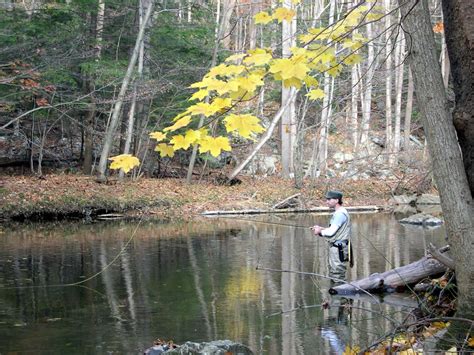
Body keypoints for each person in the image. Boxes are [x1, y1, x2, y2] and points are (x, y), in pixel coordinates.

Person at [311, 190, 352, 283]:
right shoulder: (340, 212)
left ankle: (339, 294)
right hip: (338, 248)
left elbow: (331, 232)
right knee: (334, 272)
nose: (327, 201)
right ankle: (336, 293)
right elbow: (335, 230)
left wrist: (319, 232)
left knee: (337, 274)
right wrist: (321, 228)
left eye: (329, 199)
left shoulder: (340, 214)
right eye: (327, 199)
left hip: (339, 249)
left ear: (337, 200)